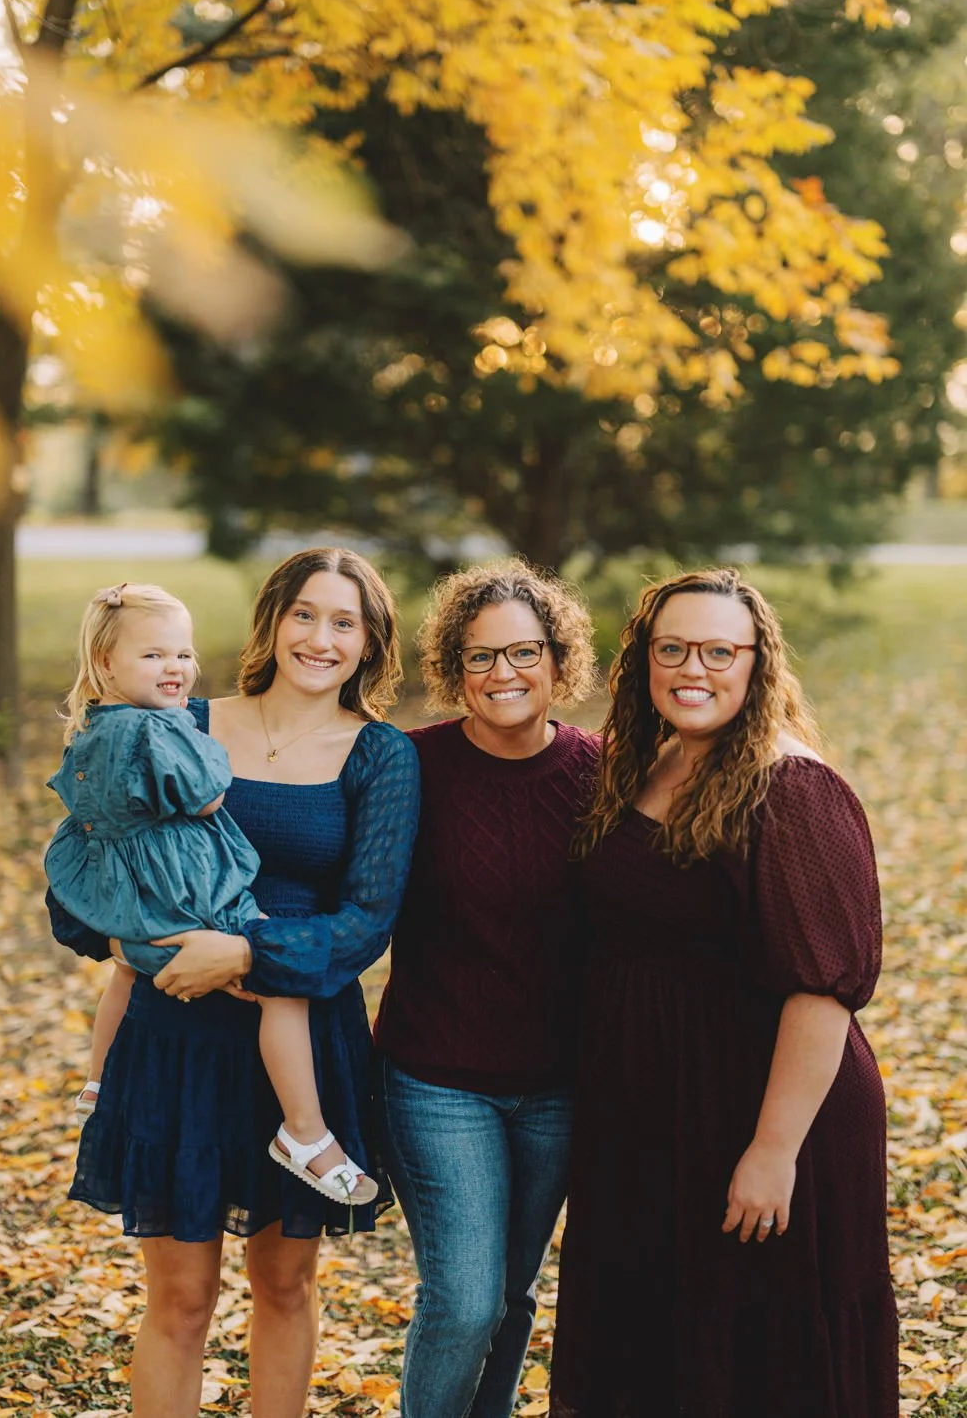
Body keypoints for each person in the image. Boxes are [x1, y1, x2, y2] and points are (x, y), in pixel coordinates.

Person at [48, 548, 420, 1418]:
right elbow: (87, 861)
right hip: (175, 1035)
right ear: (272, 621)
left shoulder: (380, 755)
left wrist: (246, 956)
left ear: (369, 642)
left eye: (344, 622)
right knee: (180, 1299)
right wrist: (142, 940)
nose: (320, 638)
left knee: (284, 1286)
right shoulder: (176, 719)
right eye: (304, 614)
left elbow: (367, 922)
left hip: (300, 1038)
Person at [549, 567, 898, 1418]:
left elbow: (821, 993)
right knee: (660, 1347)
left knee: (760, 1356)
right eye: (672, 649)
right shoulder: (651, 761)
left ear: (756, 662)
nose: (692, 669)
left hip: (762, 1110)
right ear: (645, 659)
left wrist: (773, 1151)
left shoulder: (792, 789)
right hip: (655, 1111)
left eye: (718, 651)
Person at [46, 581, 375, 1206]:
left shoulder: (95, 727)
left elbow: (86, 817)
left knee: (127, 972)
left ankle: (98, 1079)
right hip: (191, 897)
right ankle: (303, 1132)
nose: (175, 667)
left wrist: (129, 933)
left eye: (182, 654)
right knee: (280, 984)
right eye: (154, 655)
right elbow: (206, 795)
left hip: (135, 892)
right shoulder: (167, 727)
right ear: (106, 663)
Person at [373, 560, 600, 1418]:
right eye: (480, 656)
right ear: (454, 669)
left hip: (559, 1086)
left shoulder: (603, 773)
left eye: (524, 652)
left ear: (557, 660)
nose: (504, 673)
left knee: (513, 1295)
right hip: (437, 1079)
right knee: (465, 1300)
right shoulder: (410, 765)